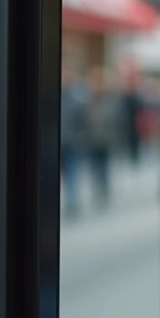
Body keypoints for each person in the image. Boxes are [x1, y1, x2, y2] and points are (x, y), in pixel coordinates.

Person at [82, 67, 118, 208]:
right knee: (94, 167)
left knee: (104, 167)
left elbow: (115, 119)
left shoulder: (110, 99)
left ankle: (104, 190)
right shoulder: (87, 99)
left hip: (105, 139)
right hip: (91, 139)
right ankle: (98, 190)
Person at [60, 65, 88, 218]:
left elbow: (83, 123)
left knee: (72, 174)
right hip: (60, 145)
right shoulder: (53, 99)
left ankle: (72, 203)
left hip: (73, 143)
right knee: (65, 175)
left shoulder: (77, 100)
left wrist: (81, 138)